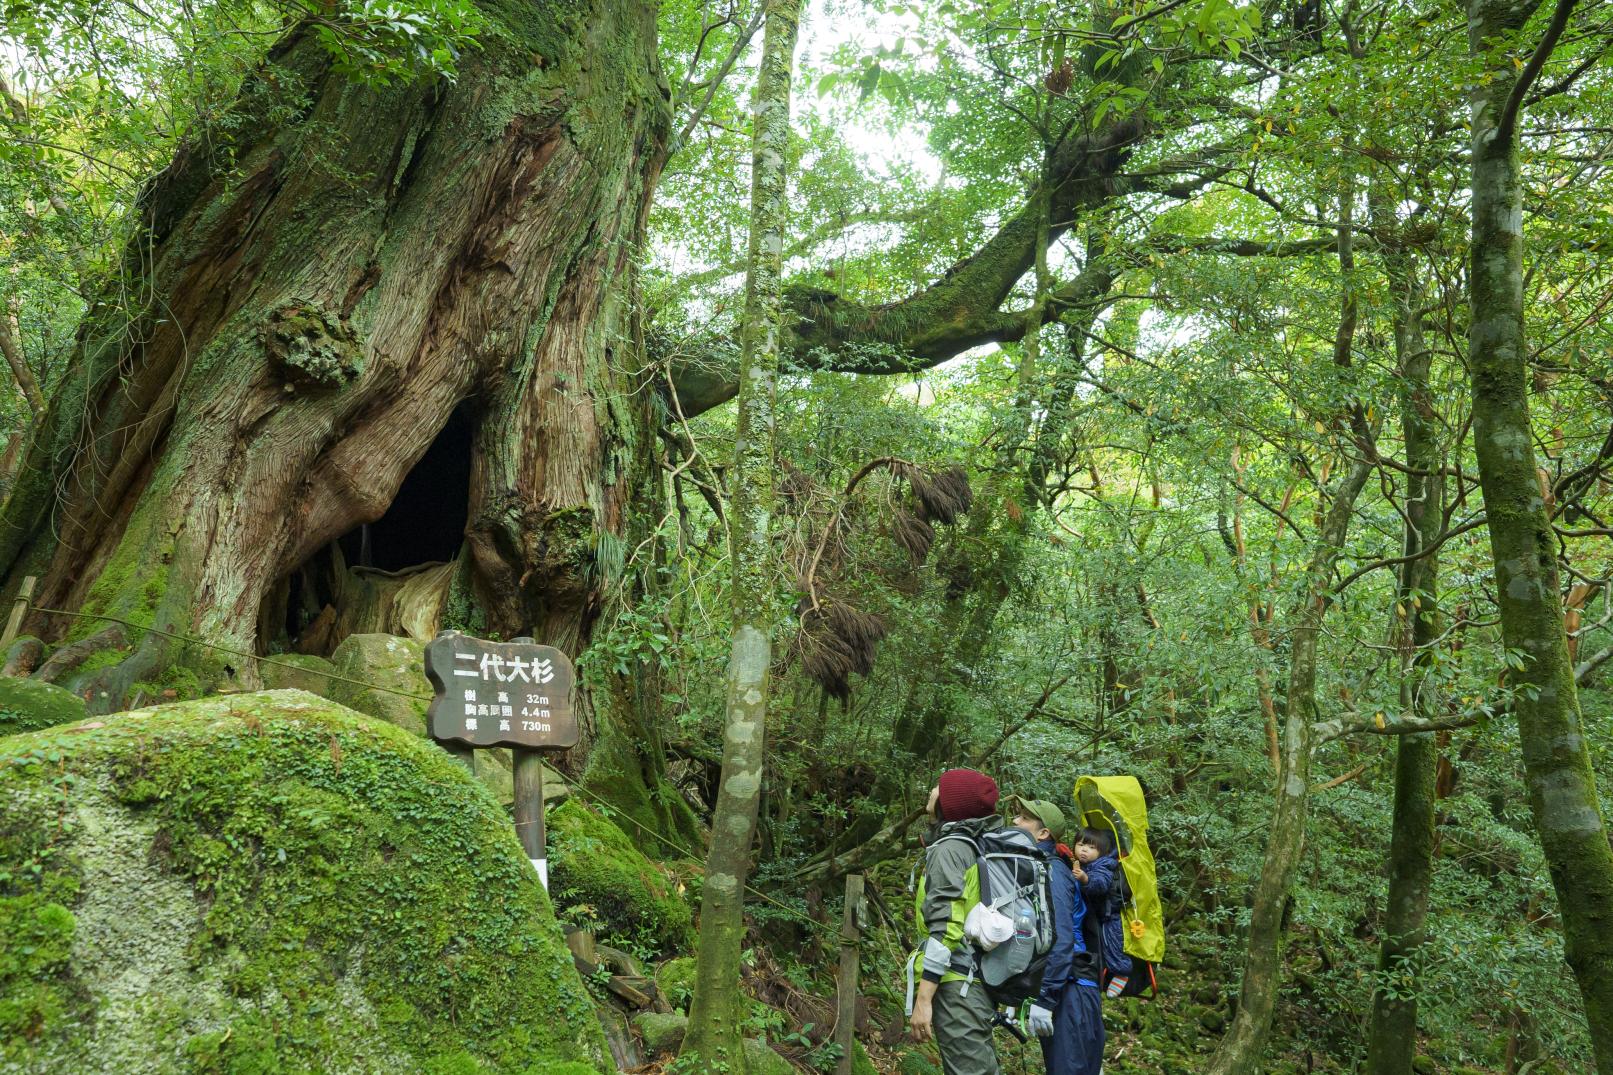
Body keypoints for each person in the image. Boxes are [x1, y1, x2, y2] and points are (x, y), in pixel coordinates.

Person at [909, 768, 1005, 1075]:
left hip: (957, 985)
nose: (932, 790)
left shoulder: (950, 850)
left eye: (940, 788)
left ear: (951, 803)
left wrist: (924, 998)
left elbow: (947, 927)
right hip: (971, 981)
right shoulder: (967, 846)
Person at [1012, 799, 1105, 1075]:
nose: (1015, 821)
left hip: (1072, 988)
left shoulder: (1053, 872)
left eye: (1024, 818)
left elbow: (1061, 939)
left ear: (1044, 834)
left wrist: (1046, 999)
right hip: (1067, 987)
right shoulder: (1040, 867)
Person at [1074, 827, 1133, 992]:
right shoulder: (1080, 863)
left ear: (1103, 852)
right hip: (1092, 914)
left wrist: (1086, 879)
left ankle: (1122, 972)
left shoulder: (1104, 865)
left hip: (1109, 916)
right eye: (1080, 845)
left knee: (1112, 944)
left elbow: (1101, 884)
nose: (1084, 850)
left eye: (1092, 848)